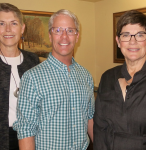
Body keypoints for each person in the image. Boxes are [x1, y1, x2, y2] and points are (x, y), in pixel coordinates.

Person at [13, 9, 95, 150]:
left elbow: (90, 119)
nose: (64, 36)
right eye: (58, 30)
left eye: (70, 31)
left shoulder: (86, 75)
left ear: (77, 36)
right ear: (50, 36)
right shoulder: (32, 78)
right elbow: (26, 130)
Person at [94, 10, 146, 150]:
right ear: (118, 41)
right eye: (126, 35)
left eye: (140, 35)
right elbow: (100, 128)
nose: (132, 41)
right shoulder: (107, 77)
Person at [0, 3, 39, 150]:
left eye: (13, 23)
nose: (8, 29)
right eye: (1, 23)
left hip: (30, 136)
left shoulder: (33, 60)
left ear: (22, 28)